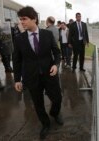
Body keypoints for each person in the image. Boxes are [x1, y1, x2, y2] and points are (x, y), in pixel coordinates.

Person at [13, 6, 63, 139]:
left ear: (34, 19)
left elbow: (56, 52)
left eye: (24, 19)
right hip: (32, 77)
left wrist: (56, 64)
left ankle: (54, 113)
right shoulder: (19, 39)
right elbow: (16, 60)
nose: (21, 22)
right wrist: (17, 79)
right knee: (38, 103)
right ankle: (45, 124)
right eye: (20, 20)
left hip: (49, 74)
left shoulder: (47, 34)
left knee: (57, 98)